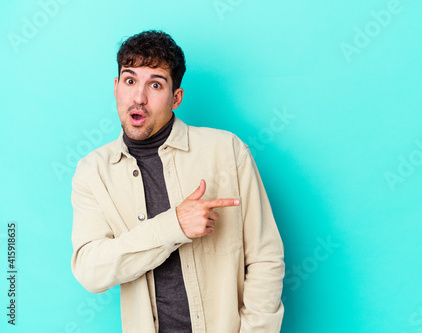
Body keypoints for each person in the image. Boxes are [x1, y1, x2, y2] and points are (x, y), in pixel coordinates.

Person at [70, 30, 285, 333]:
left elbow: (266, 258)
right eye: (130, 81)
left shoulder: (227, 151)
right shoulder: (92, 172)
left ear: (176, 98)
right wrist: (175, 226)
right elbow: (90, 271)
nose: (139, 98)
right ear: (116, 87)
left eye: (155, 84)